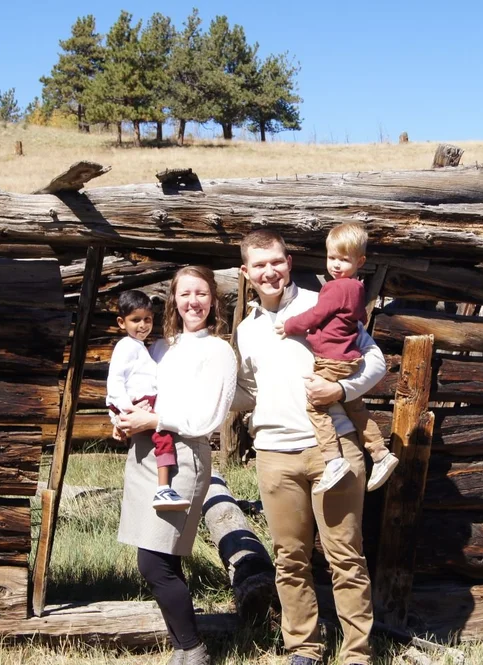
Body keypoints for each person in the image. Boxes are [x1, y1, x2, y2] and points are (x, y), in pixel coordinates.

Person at [232, 230, 387, 665]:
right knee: (290, 558)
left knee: (345, 557)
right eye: (259, 265)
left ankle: (357, 653)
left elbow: (375, 361)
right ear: (246, 273)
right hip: (274, 455)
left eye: (276, 262)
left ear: (289, 261)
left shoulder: (323, 303)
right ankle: (304, 647)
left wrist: (339, 388)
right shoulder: (246, 331)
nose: (269, 272)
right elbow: (247, 390)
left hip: (332, 449)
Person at [116, 266, 237, 665]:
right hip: (147, 452)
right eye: (185, 294)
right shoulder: (161, 347)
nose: (193, 302)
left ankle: (194, 650)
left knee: (154, 562)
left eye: (201, 293)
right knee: (159, 558)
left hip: (184, 456)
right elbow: (143, 394)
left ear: (213, 299)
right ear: (174, 300)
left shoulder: (218, 351)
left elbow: (207, 417)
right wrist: (125, 421)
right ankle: (181, 649)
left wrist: (154, 420)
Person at [275, 222, 399, 494]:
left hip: (331, 358)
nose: (336, 265)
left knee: (316, 406)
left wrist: (290, 325)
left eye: (344, 260)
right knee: (354, 405)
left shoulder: (334, 288)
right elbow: (359, 319)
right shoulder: (357, 289)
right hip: (349, 357)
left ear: (360, 261)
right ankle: (380, 452)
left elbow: (316, 316)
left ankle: (332, 460)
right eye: (332, 258)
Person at [105, 289, 189, 511]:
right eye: (135, 320)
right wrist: (126, 410)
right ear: (122, 323)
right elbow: (115, 381)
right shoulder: (125, 347)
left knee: (161, 437)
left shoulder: (141, 348)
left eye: (147, 319)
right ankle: (163, 488)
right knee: (163, 436)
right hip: (135, 402)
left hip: (140, 401)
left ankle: (162, 487)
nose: (142, 325)